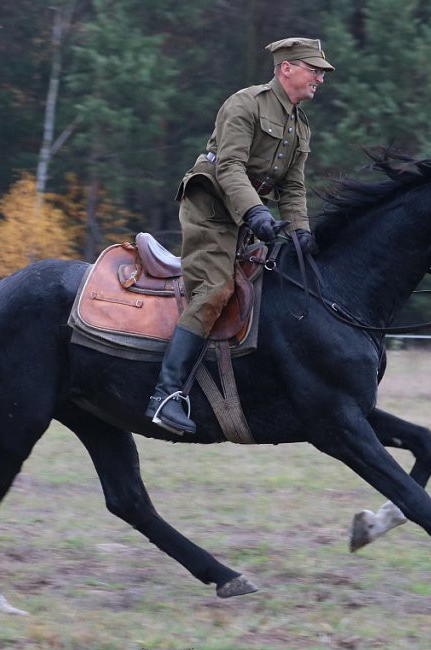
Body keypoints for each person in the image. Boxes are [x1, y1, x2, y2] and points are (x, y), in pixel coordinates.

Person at [145, 37, 334, 435]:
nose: (320, 77)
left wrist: (301, 236)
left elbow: (293, 190)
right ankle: (165, 395)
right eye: (313, 69)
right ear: (286, 68)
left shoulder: (300, 126)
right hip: (211, 209)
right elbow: (229, 167)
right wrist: (257, 213)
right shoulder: (245, 103)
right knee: (215, 290)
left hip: (247, 218)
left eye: (321, 72)